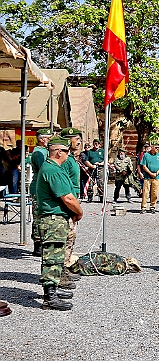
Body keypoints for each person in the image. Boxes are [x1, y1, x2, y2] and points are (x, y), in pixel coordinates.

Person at [35, 137, 83, 310]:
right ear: (59, 152)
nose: (69, 155)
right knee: (52, 258)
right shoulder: (52, 169)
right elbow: (68, 198)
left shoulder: (53, 167)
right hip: (52, 220)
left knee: (56, 258)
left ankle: (53, 289)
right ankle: (49, 298)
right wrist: (79, 212)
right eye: (67, 151)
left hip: (55, 219)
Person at [59, 127, 83, 290]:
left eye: (79, 138)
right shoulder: (66, 160)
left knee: (70, 238)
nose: (79, 141)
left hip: (73, 200)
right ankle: (59, 274)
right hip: (67, 203)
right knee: (64, 239)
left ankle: (65, 268)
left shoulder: (72, 159)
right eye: (75, 138)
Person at [29, 128, 53, 257]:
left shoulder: (45, 151)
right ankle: (38, 244)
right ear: (43, 139)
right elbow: (45, 168)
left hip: (44, 188)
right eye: (49, 138)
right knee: (38, 216)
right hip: (39, 188)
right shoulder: (39, 152)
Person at [140, 142, 159, 214]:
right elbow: (144, 166)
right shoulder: (146, 155)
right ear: (152, 147)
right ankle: (144, 207)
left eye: (158, 148)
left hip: (156, 177)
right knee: (145, 193)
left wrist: (156, 173)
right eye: (155, 147)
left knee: (155, 193)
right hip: (147, 177)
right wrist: (150, 173)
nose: (157, 149)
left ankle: (153, 206)